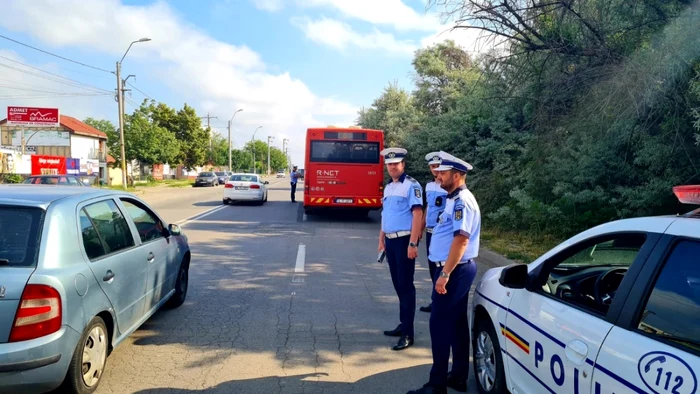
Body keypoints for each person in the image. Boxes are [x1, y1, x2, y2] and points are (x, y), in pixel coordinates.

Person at [407, 152, 480, 394]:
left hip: (455, 270)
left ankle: (436, 385)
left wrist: (445, 273)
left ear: (457, 175)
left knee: (439, 324)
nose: (438, 175)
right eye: (437, 172)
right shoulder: (451, 198)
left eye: (443, 173)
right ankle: (458, 376)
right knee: (457, 323)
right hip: (452, 268)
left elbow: (461, 240)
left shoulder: (462, 201)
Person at [378, 147, 424, 351]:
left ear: (403, 164)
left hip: (405, 241)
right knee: (398, 285)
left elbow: (417, 215)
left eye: (396, 164)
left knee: (406, 287)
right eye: (389, 164)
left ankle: (408, 333)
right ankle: (403, 324)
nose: (392, 168)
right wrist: (381, 240)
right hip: (390, 242)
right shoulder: (389, 187)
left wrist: (413, 243)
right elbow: (385, 216)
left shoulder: (412, 186)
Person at [419, 151, 449, 313]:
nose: (436, 170)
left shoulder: (448, 186)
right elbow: (428, 207)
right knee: (432, 266)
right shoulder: (429, 186)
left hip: (443, 233)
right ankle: (435, 300)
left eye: (438, 166)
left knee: (441, 266)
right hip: (430, 231)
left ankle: (442, 301)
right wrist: (421, 228)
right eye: (433, 167)